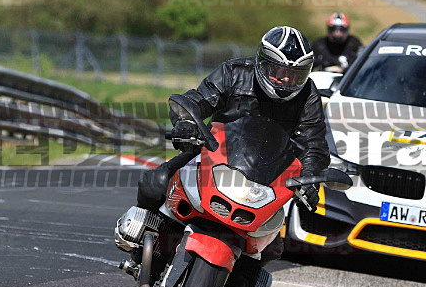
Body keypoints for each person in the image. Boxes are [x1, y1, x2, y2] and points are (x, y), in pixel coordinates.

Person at [136, 25, 329, 268]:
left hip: (267, 175)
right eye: (279, 71)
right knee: (155, 183)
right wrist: (186, 123)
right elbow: (198, 100)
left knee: (272, 246)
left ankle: (244, 284)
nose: (287, 80)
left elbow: (315, 144)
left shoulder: (309, 95)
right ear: (262, 63)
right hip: (212, 153)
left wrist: (310, 178)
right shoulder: (234, 71)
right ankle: (140, 241)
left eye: (296, 74)